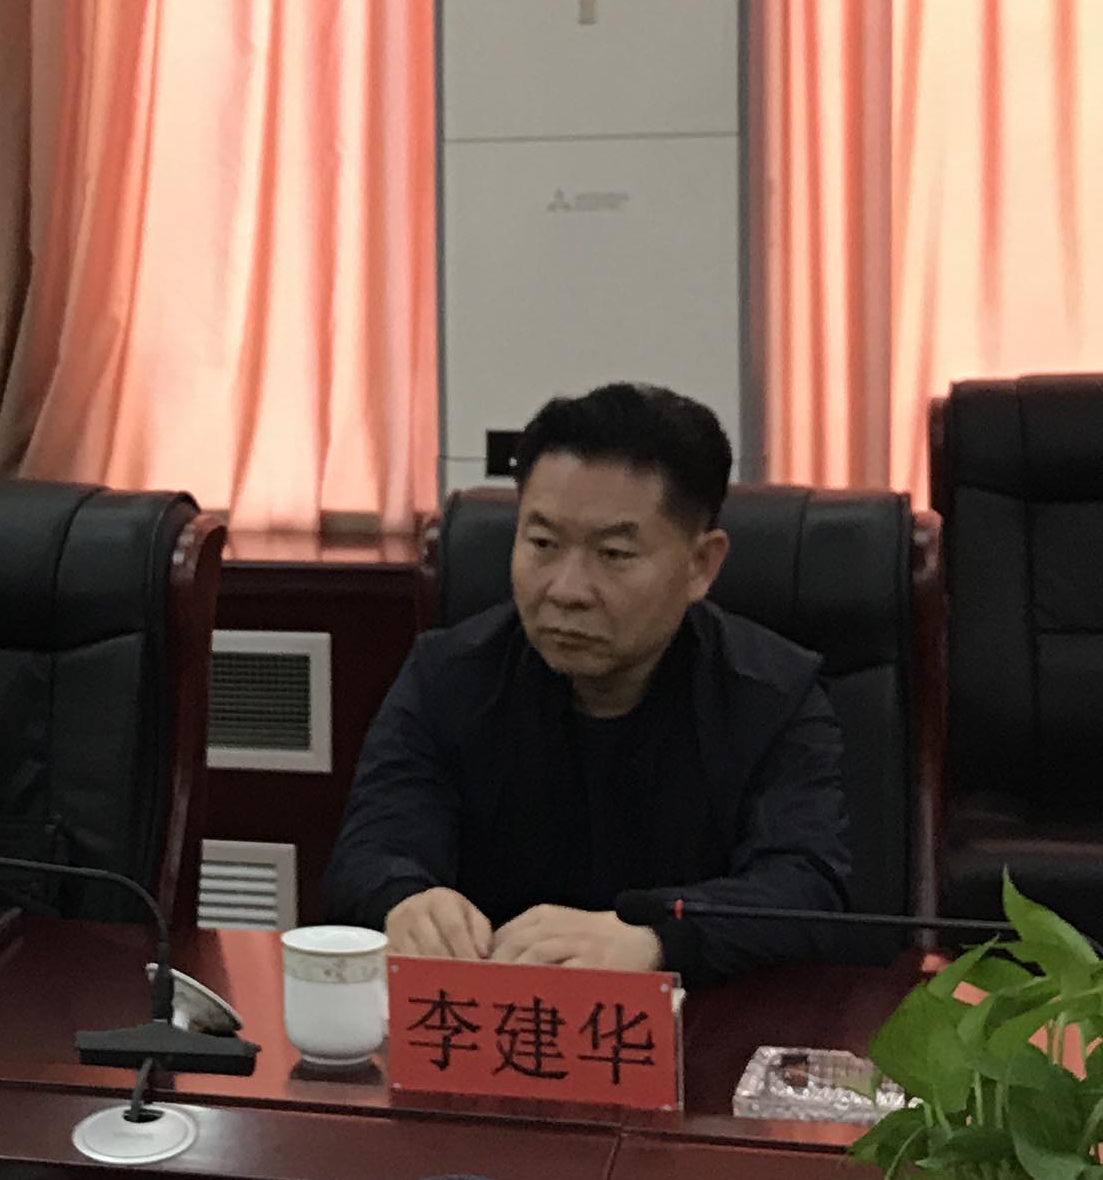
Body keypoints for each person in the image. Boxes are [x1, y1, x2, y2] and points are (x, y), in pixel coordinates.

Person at [322, 382, 854, 976]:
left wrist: (657, 942)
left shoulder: (773, 696)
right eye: (542, 543)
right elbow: (367, 856)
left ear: (701, 564)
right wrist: (405, 901)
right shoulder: (447, 677)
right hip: (493, 1020)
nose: (567, 590)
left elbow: (807, 890)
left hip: (702, 1026)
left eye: (614, 554)